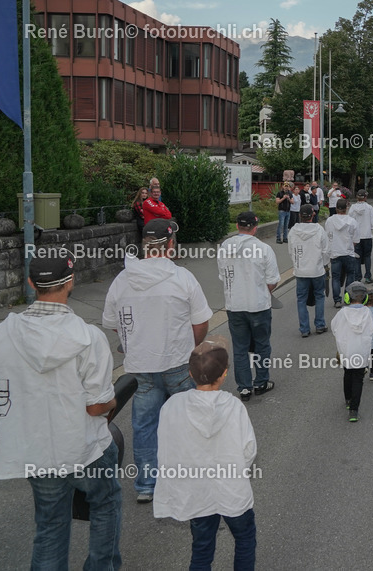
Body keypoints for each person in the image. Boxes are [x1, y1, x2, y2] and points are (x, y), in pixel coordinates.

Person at [0, 248, 122, 570]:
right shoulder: (89, 338)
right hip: (84, 449)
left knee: (50, 524)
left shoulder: (2, 335)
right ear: (70, 282)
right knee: (105, 504)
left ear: (29, 283)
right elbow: (96, 407)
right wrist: (112, 402)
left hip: (37, 452)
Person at [102, 218, 212, 502]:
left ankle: (147, 484)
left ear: (143, 245)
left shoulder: (122, 280)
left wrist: (136, 338)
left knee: (144, 425)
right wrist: (192, 344)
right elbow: (201, 321)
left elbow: (113, 322)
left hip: (143, 367)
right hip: (178, 363)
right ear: (171, 245)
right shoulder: (182, 278)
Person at [154, 339, 257, 571]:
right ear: (224, 373)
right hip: (232, 489)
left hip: (196, 491)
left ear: (190, 373)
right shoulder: (234, 406)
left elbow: (167, 446)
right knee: (244, 538)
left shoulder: (173, 406)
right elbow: (249, 450)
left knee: (201, 548)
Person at [218, 211, 280, 401]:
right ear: (255, 227)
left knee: (240, 347)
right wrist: (262, 291)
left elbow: (223, 277)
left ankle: (244, 387)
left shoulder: (224, 248)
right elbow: (272, 280)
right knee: (262, 345)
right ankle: (261, 382)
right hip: (259, 305)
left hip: (234, 305)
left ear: (237, 226)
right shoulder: (263, 248)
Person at [332, 281, 373, 422]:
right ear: (365, 298)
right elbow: (371, 331)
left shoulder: (342, 313)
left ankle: (348, 400)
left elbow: (334, 328)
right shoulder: (367, 313)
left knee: (347, 373)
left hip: (347, 350)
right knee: (358, 378)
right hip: (361, 351)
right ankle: (354, 411)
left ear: (347, 297)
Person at [289, 205, 329, 337]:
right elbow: (325, 250)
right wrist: (324, 264)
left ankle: (304, 329)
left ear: (300, 215)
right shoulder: (319, 230)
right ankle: (320, 324)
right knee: (319, 296)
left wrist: (296, 264)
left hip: (300, 270)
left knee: (301, 299)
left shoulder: (293, 231)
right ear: (313, 215)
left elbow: (291, 251)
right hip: (317, 269)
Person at [326, 198, 360, 306]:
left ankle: (337, 300)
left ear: (336, 208)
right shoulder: (352, 221)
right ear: (346, 208)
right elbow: (356, 240)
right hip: (348, 252)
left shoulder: (329, 221)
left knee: (335, 277)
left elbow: (327, 236)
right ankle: (347, 298)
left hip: (335, 252)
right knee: (350, 275)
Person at [349, 189, 373, 283]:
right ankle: (368, 276)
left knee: (357, 257)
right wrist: (370, 227)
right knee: (367, 256)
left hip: (356, 237)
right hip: (367, 235)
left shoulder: (352, 208)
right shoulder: (369, 208)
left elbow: (349, 221)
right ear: (365, 197)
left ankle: (358, 277)